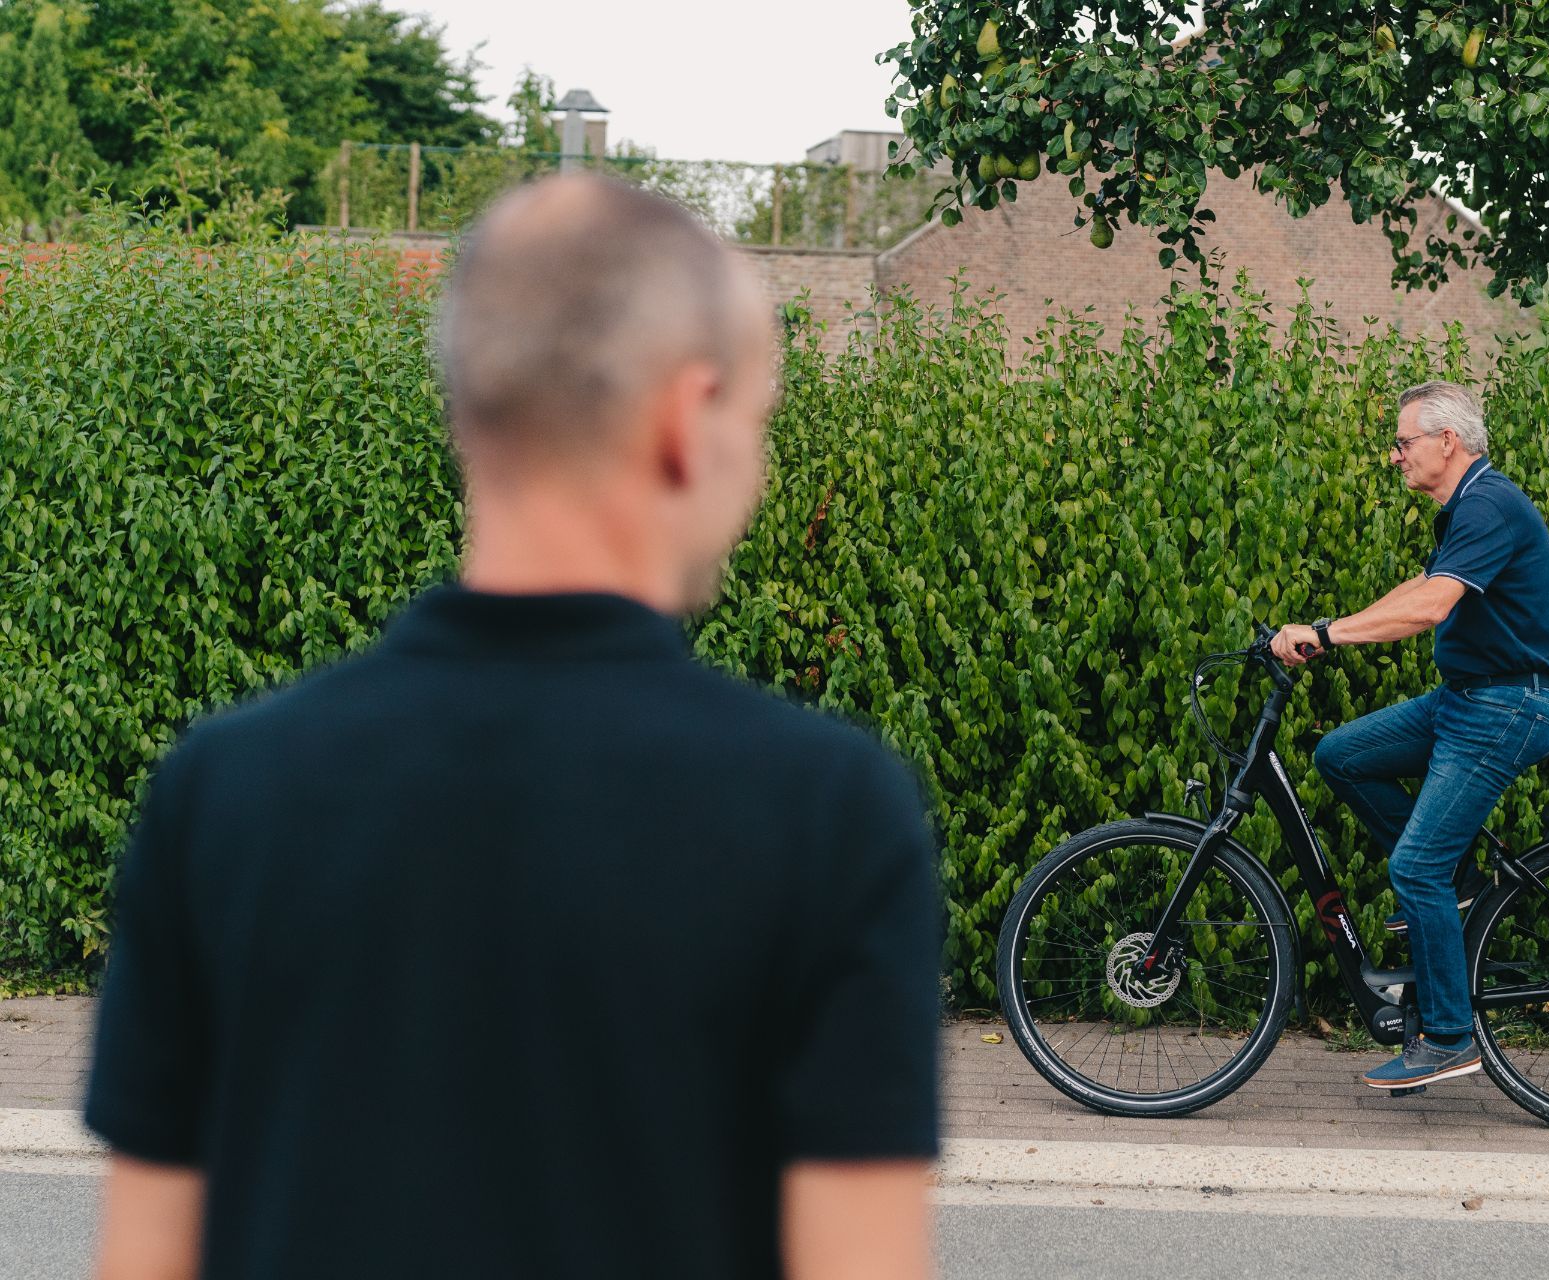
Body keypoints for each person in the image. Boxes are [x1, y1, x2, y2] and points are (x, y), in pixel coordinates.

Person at [86, 174, 940, 1279]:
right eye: (758, 420)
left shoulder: (218, 790)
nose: (759, 468)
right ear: (685, 422)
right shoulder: (829, 811)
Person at [1268, 380, 1549, 1090]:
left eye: (1403, 443)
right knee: (1342, 754)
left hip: (1508, 707)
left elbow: (1432, 607)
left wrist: (1324, 634)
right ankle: (1458, 874)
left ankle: (1450, 1035)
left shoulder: (1489, 504)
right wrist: (1323, 632)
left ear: (1447, 442)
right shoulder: (1467, 509)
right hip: (1467, 698)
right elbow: (1420, 586)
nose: (1394, 456)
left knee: (1414, 869)